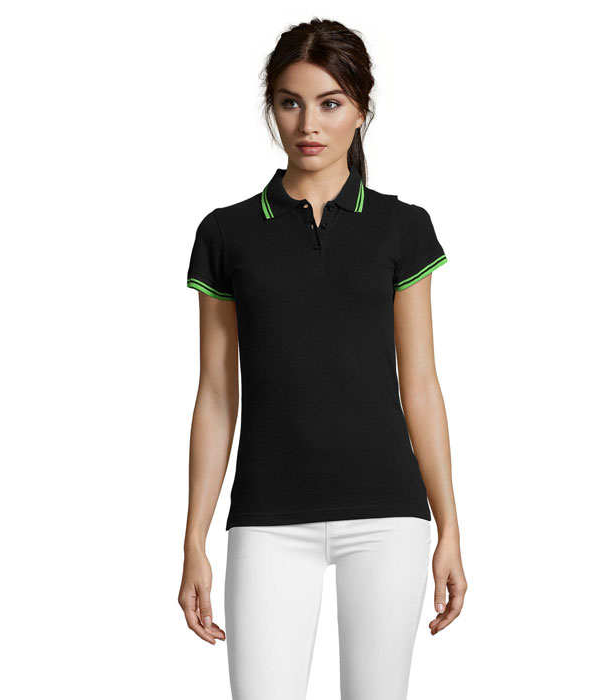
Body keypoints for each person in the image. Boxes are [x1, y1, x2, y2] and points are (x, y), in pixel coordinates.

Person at [178, 17, 467, 700]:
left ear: (360, 110)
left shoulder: (402, 227)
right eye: (290, 102)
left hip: (388, 516)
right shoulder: (226, 233)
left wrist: (450, 528)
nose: (309, 124)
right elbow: (216, 395)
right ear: (272, 108)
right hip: (267, 517)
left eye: (330, 102)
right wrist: (194, 540)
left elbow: (421, 385)